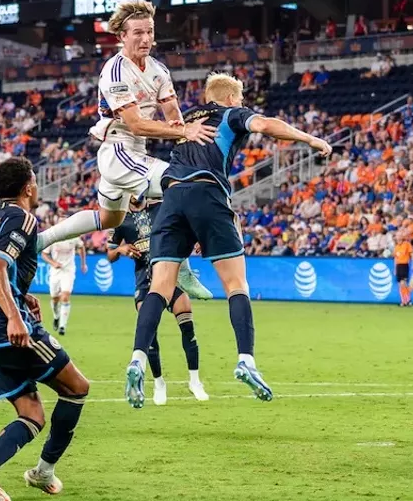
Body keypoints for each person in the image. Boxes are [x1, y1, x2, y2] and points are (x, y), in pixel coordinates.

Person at [123, 72, 332, 409]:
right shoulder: (230, 114)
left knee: (159, 288)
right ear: (233, 98)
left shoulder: (187, 120)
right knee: (236, 285)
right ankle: (246, 360)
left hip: (171, 199)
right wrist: (311, 140)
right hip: (207, 193)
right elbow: (265, 125)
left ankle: (136, 360)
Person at [36, 0, 213, 300]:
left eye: (150, 32)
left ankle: (42, 240)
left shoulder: (158, 70)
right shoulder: (115, 71)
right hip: (118, 150)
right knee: (181, 187)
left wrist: (183, 133)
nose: (145, 39)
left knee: (110, 220)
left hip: (132, 154)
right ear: (121, 36)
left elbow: (172, 112)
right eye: (137, 33)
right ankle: (180, 263)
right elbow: (136, 124)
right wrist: (183, 131)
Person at [0, 158, 92, 501]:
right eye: (34, 180)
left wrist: (20, 293)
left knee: (31, 413)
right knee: (78, 388)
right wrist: (15, 315)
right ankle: (43, 472)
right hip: (9, 331)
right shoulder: (23, 218)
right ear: (28, 187)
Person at [107, 199, 209, 405]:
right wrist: (121, 250)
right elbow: (110, 254)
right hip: (144, 281)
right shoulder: (120, 218)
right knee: (149, 332)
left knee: (186, 318)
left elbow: (184, 222)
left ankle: (195, 380)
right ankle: (159, 382)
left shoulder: (161, 207)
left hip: (171, 275)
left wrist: (197, 238)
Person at [41, 237, 86, 336]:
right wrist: (53, 263)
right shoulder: (54, 237)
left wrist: (83, 264)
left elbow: (82, 247)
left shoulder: (74, 237)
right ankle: (56, 316)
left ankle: (62, 326)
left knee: (65, 297)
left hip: (68, 271)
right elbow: (44, 254)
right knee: (55, 299)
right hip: (55, 271)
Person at [393, 224, 413, 307]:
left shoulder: (406, 244)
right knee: (400, 285)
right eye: (397, 235)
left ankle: (407, 300)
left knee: (403, 283)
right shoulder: (396, 247)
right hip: (398, 266)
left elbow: (412, 254)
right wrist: (395, 269)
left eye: (399, 235)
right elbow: (395, 258)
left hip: (404, 265)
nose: (398, 237)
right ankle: (404, 301)